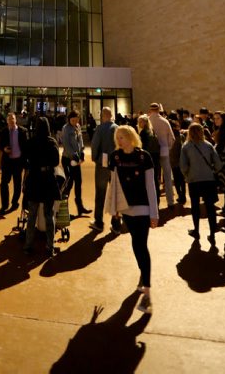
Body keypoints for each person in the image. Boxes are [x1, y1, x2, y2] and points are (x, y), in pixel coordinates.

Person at [106, 125, 158, 314]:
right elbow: (113, 185)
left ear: (131, 137)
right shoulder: (115, 157)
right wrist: (114, 210)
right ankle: (144, 275)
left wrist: (154, 213)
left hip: (143, 207)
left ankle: (147, 289)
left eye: (122, 137)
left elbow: (151, 186)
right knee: (136, 245)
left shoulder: (144, 157)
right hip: (126, 208)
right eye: (117, 137)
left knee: (140, 245)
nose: (119, 141)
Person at [23, 117, 62, 257]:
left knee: (32, 214)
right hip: (47, 180)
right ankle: (49, 246)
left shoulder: (31, 142)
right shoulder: (52, 142)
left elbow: (25, 160)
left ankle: (28, 245)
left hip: (34, 179)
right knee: (49, 214)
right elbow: (56, 161)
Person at [180, 123, 221, 244]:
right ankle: (212, 233)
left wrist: (188, 175)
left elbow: (183, 166)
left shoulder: (186, 146)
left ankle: (196, 230)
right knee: (210, 207)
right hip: (209, 179)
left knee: (195, 206)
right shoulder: (208, 145)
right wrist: (213, 171)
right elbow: (218, 164)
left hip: (194, 180)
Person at [90, 107, 118, 233]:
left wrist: (95, 158)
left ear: (102, 116)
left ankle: (99, 221)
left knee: (100, 193)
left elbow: (95, 145)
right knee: (116, 193)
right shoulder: (118, 128)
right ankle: (116, 222)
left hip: (103, 162)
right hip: (116, 164)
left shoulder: (100, 129)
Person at [61, 111, 91, 218]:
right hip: (68, 159)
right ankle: (62, 209)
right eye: (73, 120)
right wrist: (73, 155)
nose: (75, 122)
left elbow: (80, 140)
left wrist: (82, 152)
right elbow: (66, 143)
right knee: (68, 184)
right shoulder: (66, 128)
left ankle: (80, 207)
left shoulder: (77, 127)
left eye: (76, 120)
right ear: (69, 119)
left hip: (76, 160)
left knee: (78, 182)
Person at [0, 112, 28, 214]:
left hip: (18, 161)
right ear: (7, 121)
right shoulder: (4, 131)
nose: (11, 121)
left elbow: (26, 147)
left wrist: (26, 161)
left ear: (16, 120)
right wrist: (4, 149)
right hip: (7, 161)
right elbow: (0, 144)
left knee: (17, 184)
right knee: (4, 183)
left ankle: (15, 202)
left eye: (13, 119)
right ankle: (4, 205)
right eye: (9, 119)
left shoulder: (22, 131)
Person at [148, 103, 175, 209]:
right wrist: (168, 147)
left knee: (152, 178)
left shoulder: (147, 121)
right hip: (164, 151)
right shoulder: (165, 121)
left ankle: (153, 202)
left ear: (150, 110)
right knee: (168, 177)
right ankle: (170, 201)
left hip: (151, 153)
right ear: (159, 110)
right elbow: (172, 138)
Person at [137, 114, 161, 201]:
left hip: (148, 158)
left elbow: (141, 147)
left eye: (140, 122)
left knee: (148, 181)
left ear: (145, 122)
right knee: (155, 180)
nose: (139, 124)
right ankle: (156, 199)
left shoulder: (143, 133)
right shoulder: (152, 131)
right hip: (155, 158)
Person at [169, 117, 187, 205]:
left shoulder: (169, 137)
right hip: (180, 160)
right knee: (182, 180)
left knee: (177, 180)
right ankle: (182, 195)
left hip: (174, 160)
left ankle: (180, 195)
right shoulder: (181, 136)